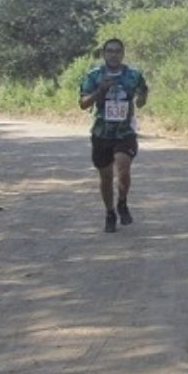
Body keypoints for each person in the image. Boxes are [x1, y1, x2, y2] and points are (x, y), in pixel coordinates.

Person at [79, 38, 149, 233]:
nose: (114, 54)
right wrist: (99, 91)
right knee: (106, 177)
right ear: (104, 54)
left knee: (123, 170)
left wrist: (142, 98)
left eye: (118, 51)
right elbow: (83, 104)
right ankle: (110, 212)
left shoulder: (133, 75)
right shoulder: (94, 75)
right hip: (102, 133)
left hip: (125, 132)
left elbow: (142, 96)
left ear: (123, 54)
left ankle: (123, 201)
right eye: (110, 51)